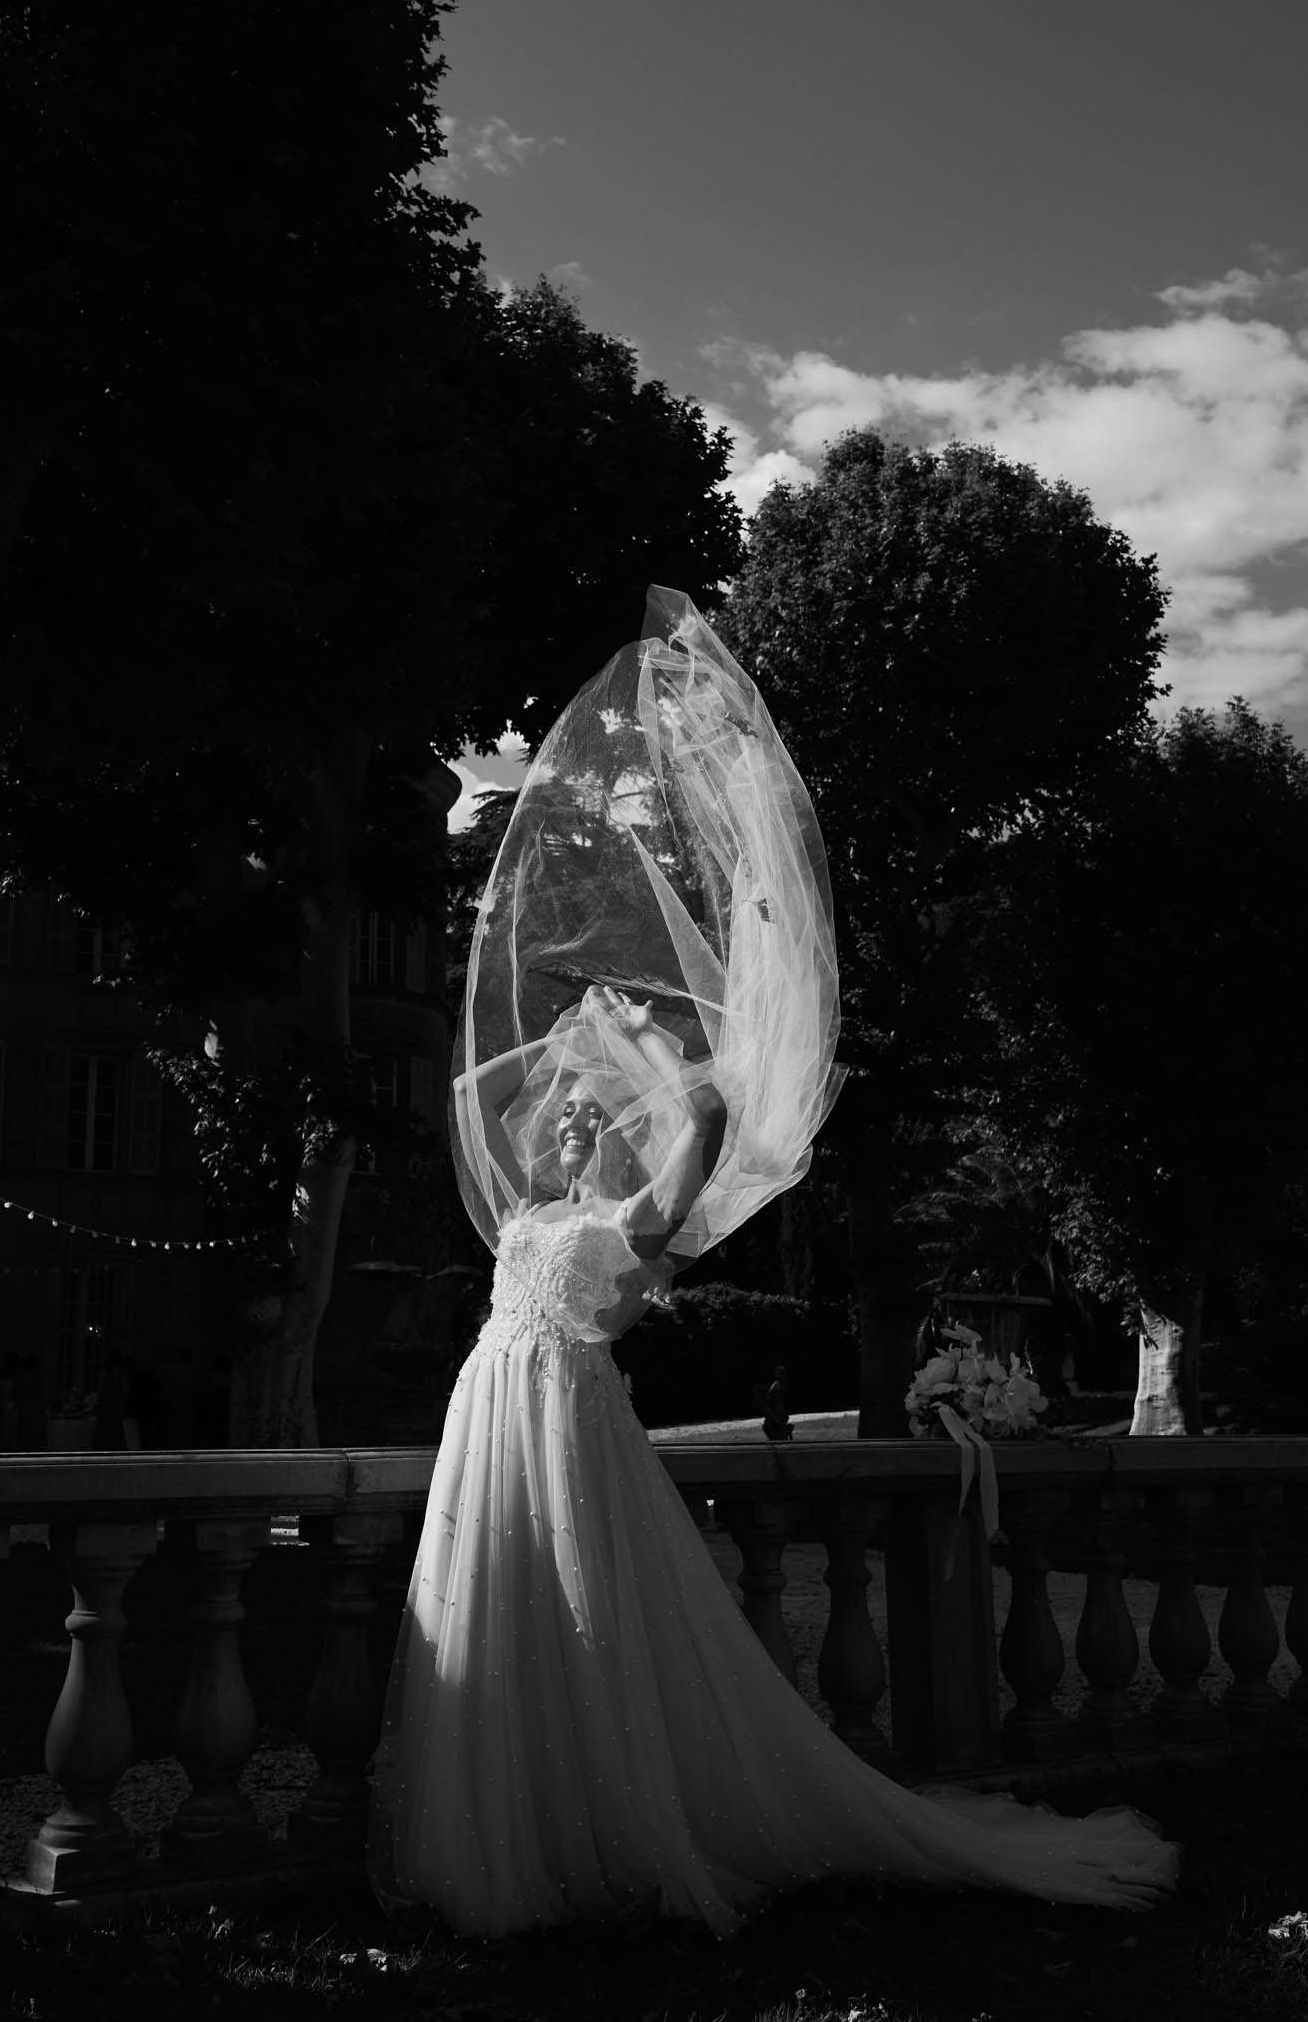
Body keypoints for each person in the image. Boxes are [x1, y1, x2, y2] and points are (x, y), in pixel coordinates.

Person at [369, 590, 1176, 1939]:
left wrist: (649, 1053)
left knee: (586, 1612)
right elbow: (499, 1084)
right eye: (564, 1113)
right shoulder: (535, 1203)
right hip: (487, 1412)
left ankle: (614, 1831)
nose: (566, 1115)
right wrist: (572, 996)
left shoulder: (646, 1218)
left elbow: (694, 1117)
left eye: (586, 1114)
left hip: (560, 1413)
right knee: (491, 1606)